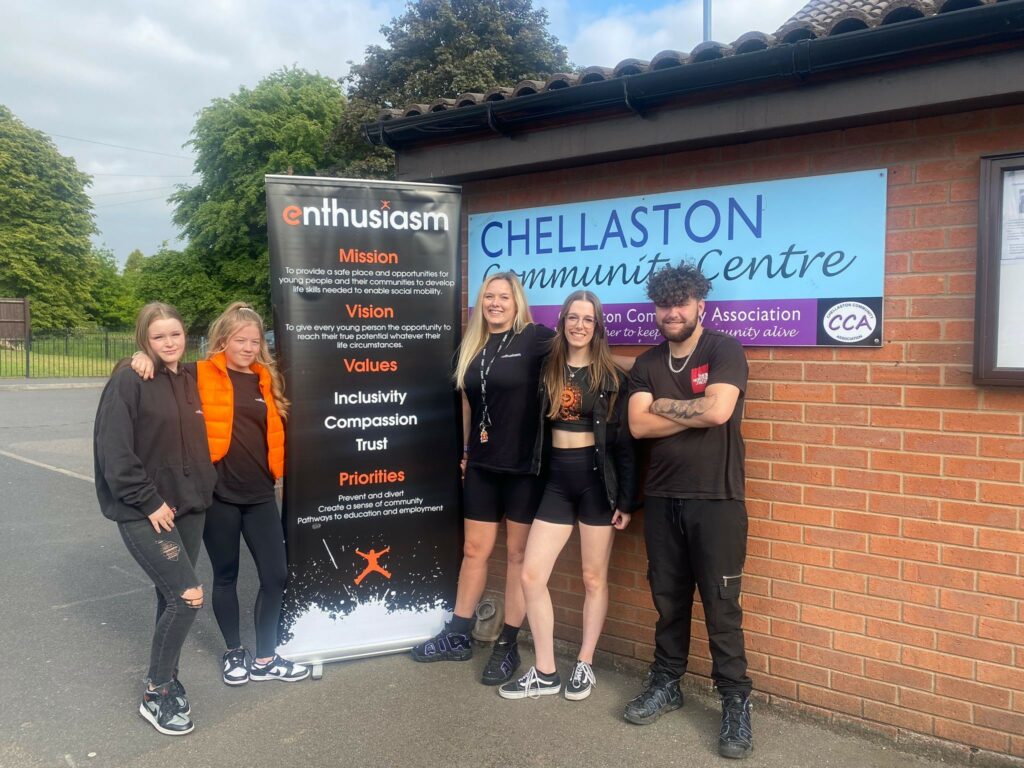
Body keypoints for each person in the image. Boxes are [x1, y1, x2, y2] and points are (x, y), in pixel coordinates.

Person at [134, 302, 308, 685]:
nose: (248, 347)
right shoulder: (199, 374)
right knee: (225, 575)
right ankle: (234, 652)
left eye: (254, 341)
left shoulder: (266, 378)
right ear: (223, 341)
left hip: (261, 494)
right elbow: (164, 366)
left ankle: (266, 656)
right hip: (219, 497)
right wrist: (140, 356)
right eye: (239, 340)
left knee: (276, 575)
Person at [624, 262, 754, 759]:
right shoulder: (646, 362)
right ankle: (666, 684)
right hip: (661, 498)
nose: (672, 312)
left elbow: (720, 411)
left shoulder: (724, 348)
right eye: (664, 304)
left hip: (717, 499)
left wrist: (661, 406)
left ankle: (736, 702)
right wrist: (691, 408)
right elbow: (636, 426)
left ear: (701, 303)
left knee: (722, 608)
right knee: (669, 601)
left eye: (682, 303)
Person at [411, 272, 554, 687]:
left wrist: (640, 372)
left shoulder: (537, 339)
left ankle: (507, 643)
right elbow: (467, 402)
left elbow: (585, 355)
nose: (495, 303)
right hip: (482, 465)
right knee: (475, 549)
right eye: (488, 296)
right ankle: (458, 634)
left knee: (516, 556)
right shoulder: (472, 345)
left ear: (517, 301)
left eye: (503, 297)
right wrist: (466, 450)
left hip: (525, 467)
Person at [498, 290, 637, 701]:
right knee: (531, 575)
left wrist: (627, 500)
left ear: (598, 327)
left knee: (593, 577)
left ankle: (586, 662)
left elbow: (626, 446)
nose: (579, 325)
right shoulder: (547, 368)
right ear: (562, 322)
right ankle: (544, 670)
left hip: (597, 484)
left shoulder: (612, 377)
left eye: (588, 319)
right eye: (573, 317)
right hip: (556, 482)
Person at [94, 302, 217, 736]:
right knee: (187, 596)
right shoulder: (130, 378)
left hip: (189, 506)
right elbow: (115, 453)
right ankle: (156, 691)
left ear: (187, 337)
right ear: (144, 339)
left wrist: (204, 487)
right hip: (147, 511)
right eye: (159, 336)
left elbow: (239, 356)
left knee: (169, 598)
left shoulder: (188, 378)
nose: (169, 343)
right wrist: (148, 501)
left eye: (176, 334)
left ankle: (168, 678)